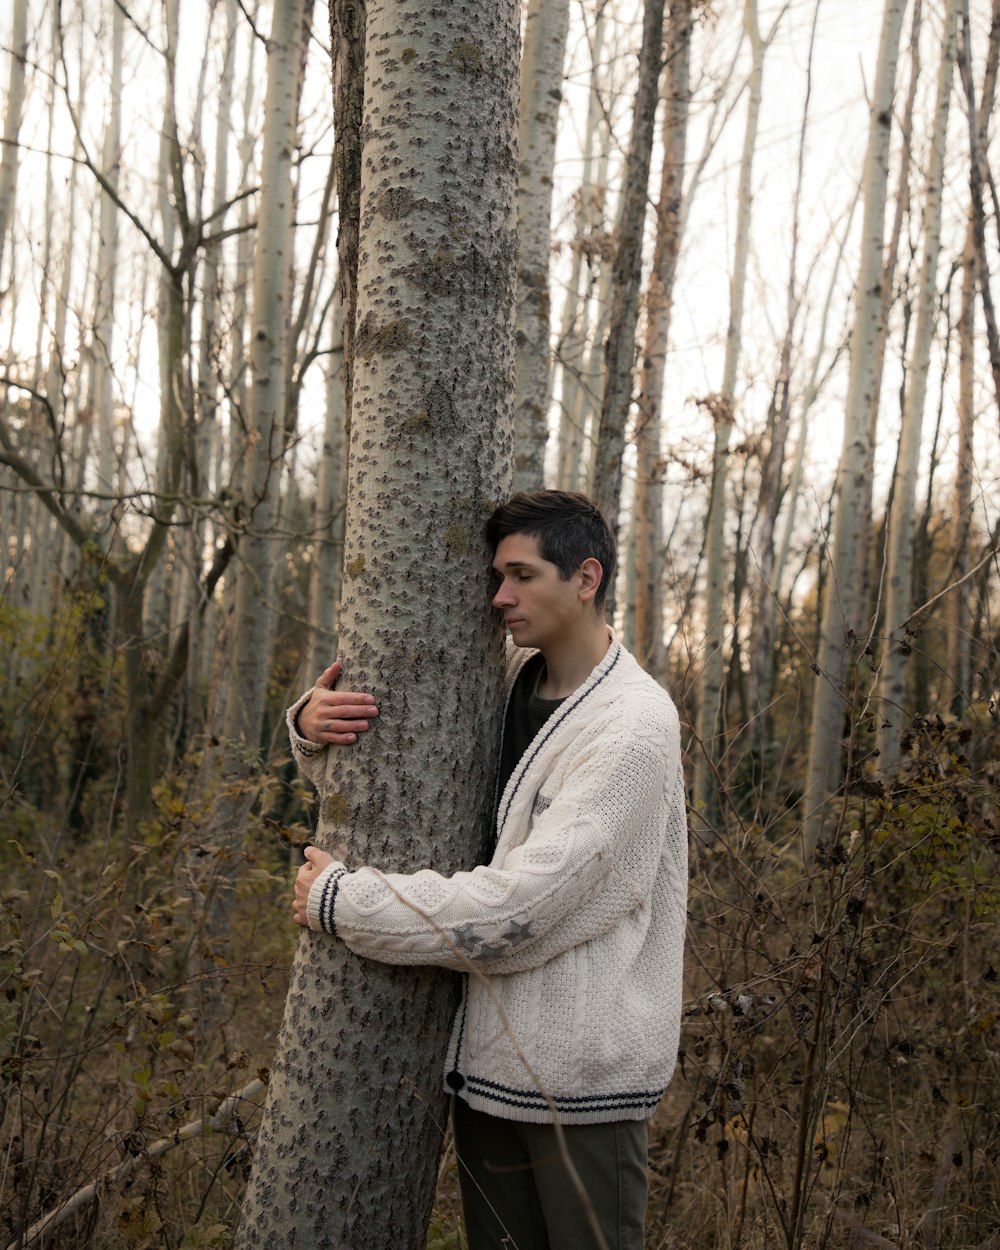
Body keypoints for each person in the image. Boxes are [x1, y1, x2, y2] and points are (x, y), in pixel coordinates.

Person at [286, 490, 688, 1250]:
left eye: (521, 575)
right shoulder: (500, 679)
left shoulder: (633, 727)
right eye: (497, 577)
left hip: (582, 1093)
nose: (499, 596)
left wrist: (349, 903)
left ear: (586, 577)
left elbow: (523, 907)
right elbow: (409, 800)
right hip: (487, 1075)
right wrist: (312, 724)